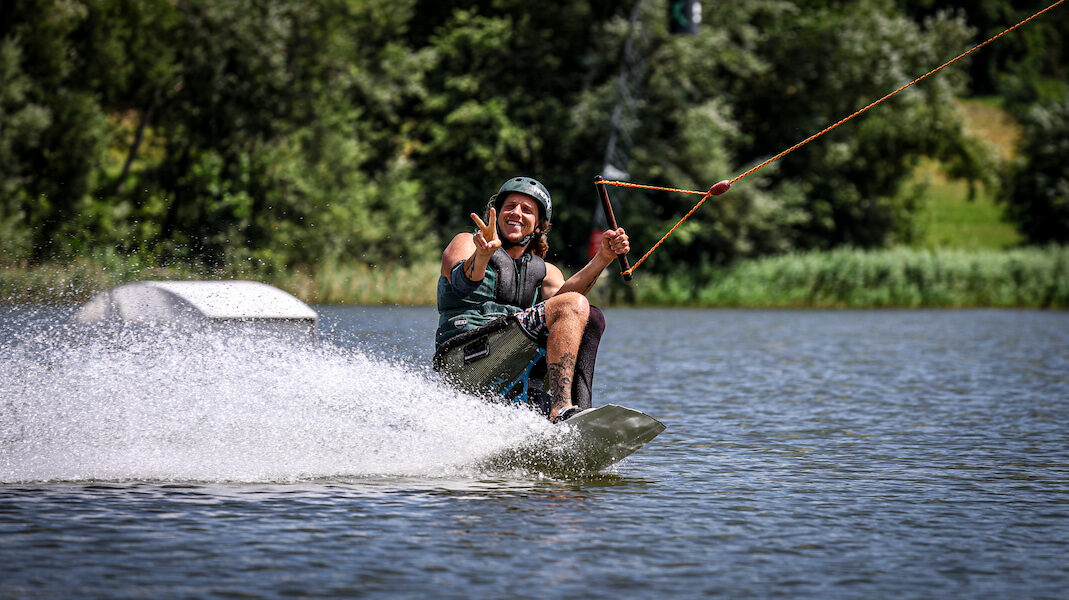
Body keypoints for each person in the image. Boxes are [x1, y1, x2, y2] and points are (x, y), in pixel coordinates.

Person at [432, 176, 630, 422]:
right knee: (573, 304)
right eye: (510, 206)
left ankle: (579, 418)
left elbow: (567, 314)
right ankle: (562, 409)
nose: (516, 213)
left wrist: (603, 257)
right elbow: (461, 284)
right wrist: (482, 255)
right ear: (497, 213)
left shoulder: (544, 271)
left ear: (538, 226)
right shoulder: (466, 243)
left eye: (526, 210)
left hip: (510, 368)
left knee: (591, 317)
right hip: (464, 358)